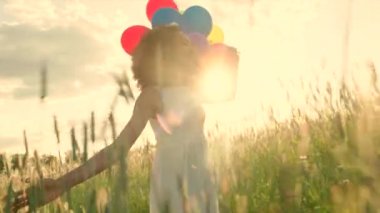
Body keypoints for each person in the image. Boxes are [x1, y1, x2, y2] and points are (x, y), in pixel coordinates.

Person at [4, 25, 239, 212]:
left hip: (200, 180)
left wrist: (232, 59)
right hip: (173, 182)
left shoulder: (193, 89)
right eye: (183, 42)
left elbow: (228, 94)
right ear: (164, 54)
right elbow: (117, 150)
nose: (191, 46)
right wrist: (64, 182)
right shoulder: (151, 96)